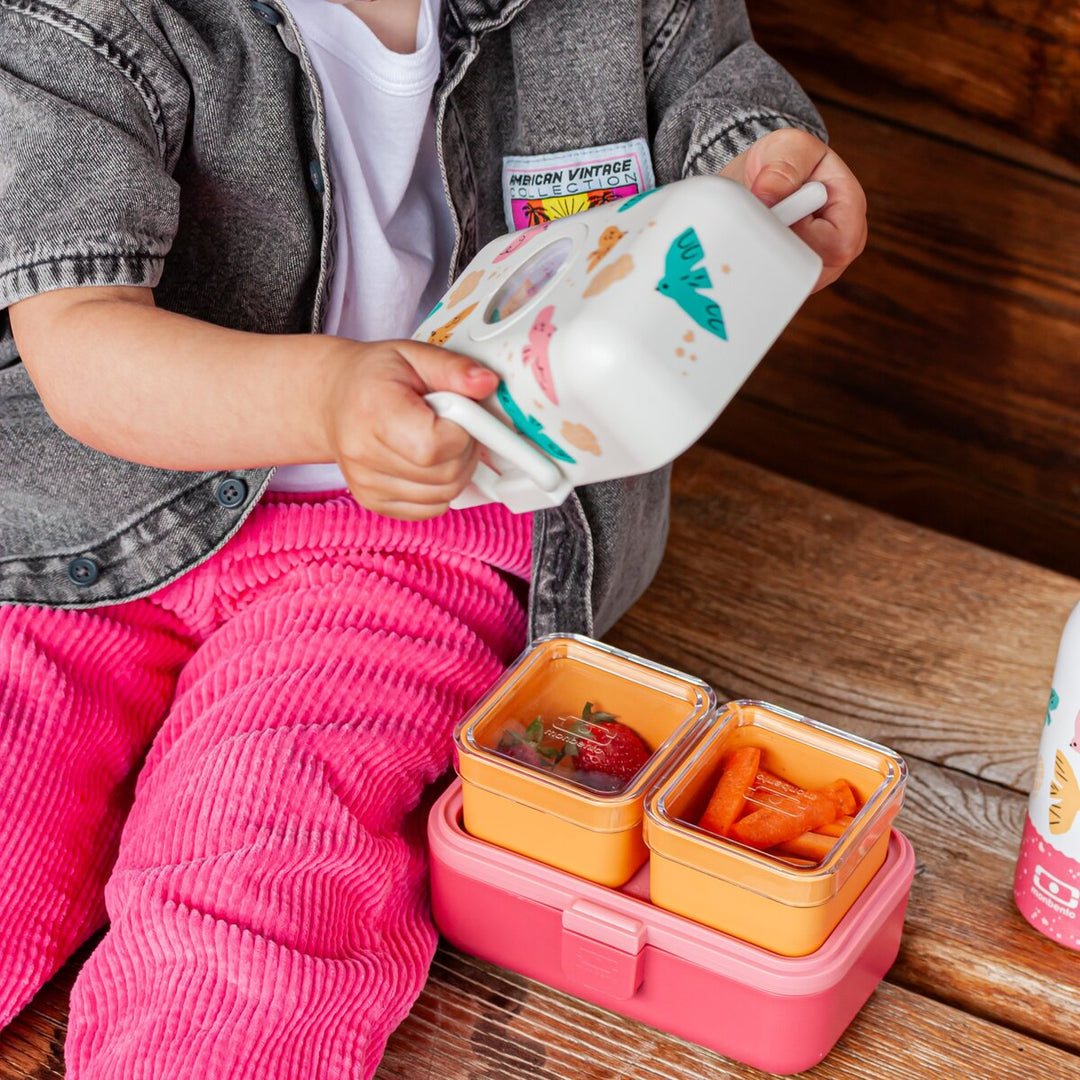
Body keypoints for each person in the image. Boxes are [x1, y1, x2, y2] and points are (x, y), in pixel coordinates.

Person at [0, 0, 866, 1076]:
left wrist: (775, 177)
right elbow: (80, 343)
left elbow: (718, 97)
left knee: (267, 855)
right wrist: (327, 402)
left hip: (424, 526)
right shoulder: (82, 21)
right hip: (87, 530)